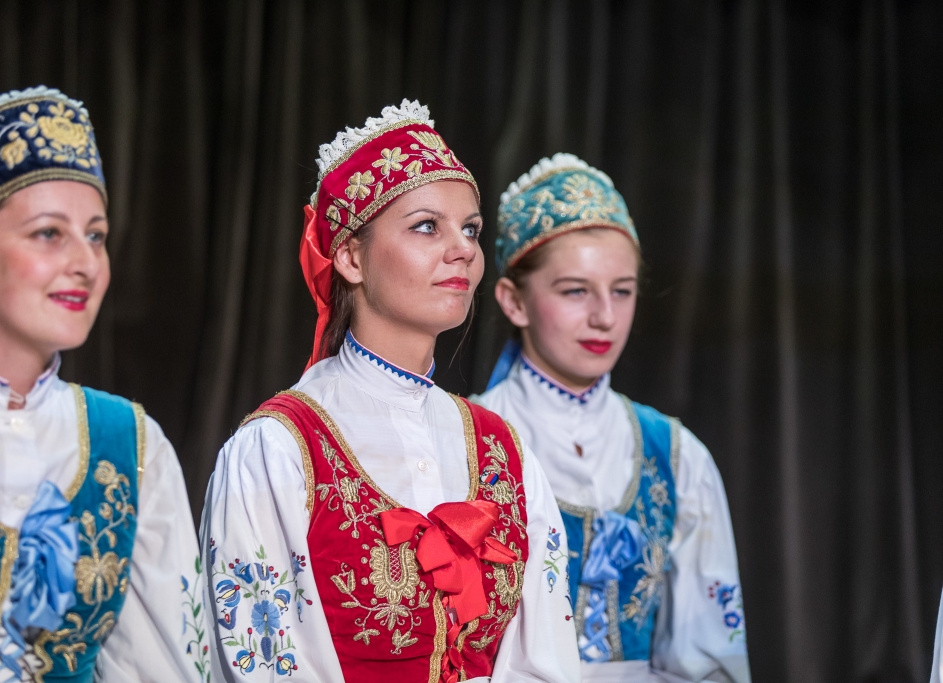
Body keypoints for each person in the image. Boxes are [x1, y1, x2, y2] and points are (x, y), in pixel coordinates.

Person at [201, 101, 578, 682]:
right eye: (427, 226)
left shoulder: (502, 450)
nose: (463, 249)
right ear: (351, 257)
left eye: (471, 229)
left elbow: (546, 659)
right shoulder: (278, 449)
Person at [0, 87, 207, 682]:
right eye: (49, 233)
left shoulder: (132, 446)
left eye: (96, 235)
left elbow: (163, 670)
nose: (86, 263)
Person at [473, 154, 751, 682]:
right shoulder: (467, 440)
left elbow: (709, 657)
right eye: (575, 291)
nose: (604, 316)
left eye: (621, 291)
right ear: (513, 302)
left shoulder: (675, 455)